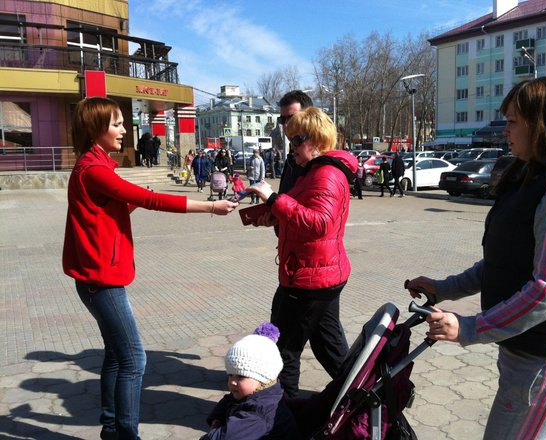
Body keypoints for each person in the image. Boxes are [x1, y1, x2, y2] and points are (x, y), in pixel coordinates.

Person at [405, 77, 546, 440]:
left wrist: (470, 328)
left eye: (512, 121)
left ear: (542, 125)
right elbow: (502, 263)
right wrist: (444, 289)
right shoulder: (527, 175)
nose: (505, 130)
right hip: (525, 349)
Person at [62, 97, 238, 440]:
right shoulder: (94, 169)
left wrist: (127, 202)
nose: (123, 130)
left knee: (116, 356)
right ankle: (126, 435)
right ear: (95, 129)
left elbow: (101, 215)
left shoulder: (96, 166)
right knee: (134, 361)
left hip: (99, 278)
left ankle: (112, 430)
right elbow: (153, 201)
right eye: (115, 124)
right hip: (102, 281)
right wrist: (210, 206)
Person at [247, 107, 356, 398]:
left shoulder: (326, 175)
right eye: (290, 139)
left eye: (298, 139)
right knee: (328, 348)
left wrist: (273, 198)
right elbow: (304, 212)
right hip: (317, 272)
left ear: (318, 140)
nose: (291, 147)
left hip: (310, 279)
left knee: (283, 351)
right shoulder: (314, 172)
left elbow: (320, 224)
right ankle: (367, 401)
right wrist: (273, 213)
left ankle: (283, 418)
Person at [200, 323, 301, 440]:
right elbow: (229, 400)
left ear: (264, 379)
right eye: (230, 375)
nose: (232, 382)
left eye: (241, 376)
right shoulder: (258, 393)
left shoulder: (258, 414)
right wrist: (216, 417)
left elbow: (224, 437)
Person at [257, 90, 313, 229]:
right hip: (288, 245)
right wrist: (276, 217)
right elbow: (292, 204)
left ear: (309, 117)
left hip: (307, 248)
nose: (286, 125)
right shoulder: (292, 158)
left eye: (291, 118)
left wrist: (272, 199)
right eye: (282, 120)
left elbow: (317, 223)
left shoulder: (321, 163)